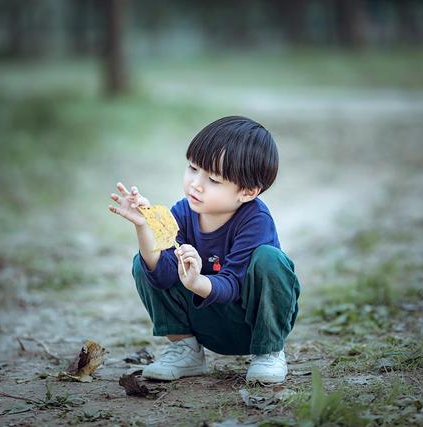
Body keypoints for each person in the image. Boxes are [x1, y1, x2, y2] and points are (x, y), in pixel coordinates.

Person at [108, 116, 300, 384]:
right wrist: (143, 227)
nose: (196, 183)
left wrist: (198, 282)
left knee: (270, 259)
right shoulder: (183, 213)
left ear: (246, 192)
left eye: (213, 179)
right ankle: (184, 349)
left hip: (249, 323)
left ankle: (269, 352)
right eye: (193, 168)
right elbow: (161, 276)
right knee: (145, 261)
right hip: (205, 324)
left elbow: (233, 283)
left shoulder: (255, 221)